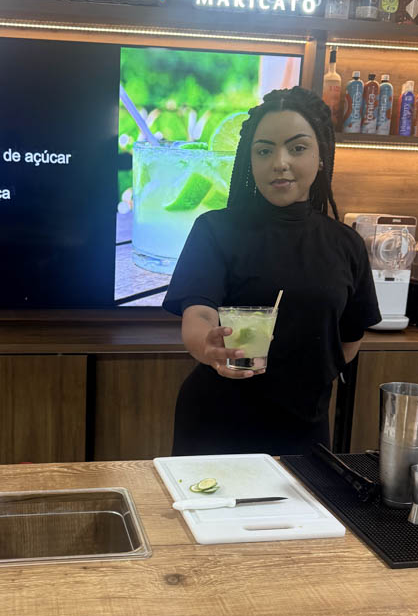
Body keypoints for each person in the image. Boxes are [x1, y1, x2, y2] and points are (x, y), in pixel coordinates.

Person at [163, 86, 381, 456]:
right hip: (217, 424)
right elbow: (198, 313)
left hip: (304, 429)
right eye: (264, 151)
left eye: (297, 148)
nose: (279, 162)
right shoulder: (215, 229)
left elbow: (350, 338)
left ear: (321, 156)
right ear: (250, 160)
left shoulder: (346, 243)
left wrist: (304, 378)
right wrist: (209, 347)